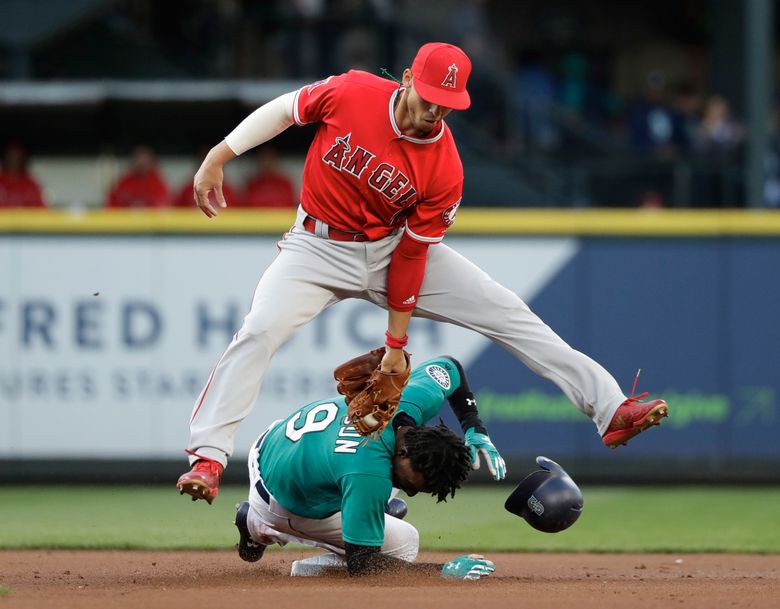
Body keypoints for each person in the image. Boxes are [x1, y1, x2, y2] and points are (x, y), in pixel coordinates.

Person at [177, 42, 669, 504]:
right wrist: (218, 157)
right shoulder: (352, 92)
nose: (436, 111)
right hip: (316, 247)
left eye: (447, 103)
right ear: (408, 79)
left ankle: (610, 409)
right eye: (431, 97)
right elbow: (286, 110)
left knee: (508, 312)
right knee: (259, 331)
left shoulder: (445, 167)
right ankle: (208, 459)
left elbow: (412, 257)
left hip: (394, 248)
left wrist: (396, 346)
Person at [232, 355, 500, 578]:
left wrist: (474, 426)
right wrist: (442, 571)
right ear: (404, 451)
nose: (415, 492)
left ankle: (371, 510)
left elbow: (449, 366)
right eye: (416, 485)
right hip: (277, 499)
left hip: (278, 441)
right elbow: (364, 566)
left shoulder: (410, 400)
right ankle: (258, 526)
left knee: (378, 483)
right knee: (404, 543)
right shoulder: (368, 474)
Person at [106, 145, 170, 208]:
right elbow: (111, 203)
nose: (141, 162)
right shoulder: (124, 181)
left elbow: (163, 206)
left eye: (145, 160)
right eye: (138, 159)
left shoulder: (158, 182)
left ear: (151, 161)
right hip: (126, 217)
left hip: (150, 218)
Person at [0, 142, 46, 208]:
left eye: (18, 157)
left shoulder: (32, 185)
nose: (13, 160)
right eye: (10, 156)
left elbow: (41, 212)